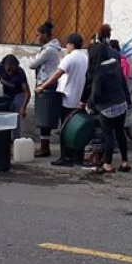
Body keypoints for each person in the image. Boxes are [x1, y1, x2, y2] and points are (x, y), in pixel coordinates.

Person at [36, 33, 90, 168]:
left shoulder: (69, 58)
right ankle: (78, 157)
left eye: (67, 45)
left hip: (68, 99)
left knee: (66, 129)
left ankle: (66, 157)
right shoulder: (85, 58)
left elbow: (57, 74)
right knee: (78, 129)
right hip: (80, 99)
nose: (66, 47)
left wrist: (43, 86)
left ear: (71, 44)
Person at [85, 42, 131, 173]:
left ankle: (107, 164)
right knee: (120, 133)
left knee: (108, 135)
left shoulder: (99, 71)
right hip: (121, 104)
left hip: (106, 108)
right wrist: (128, 101)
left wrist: (90, 105)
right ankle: (125, 162)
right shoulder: (116, 65)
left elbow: (96, 94)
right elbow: (123, 84)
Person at [29, 21, 62, 157]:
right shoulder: (49, 49)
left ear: (45, 35)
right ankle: (44, 146)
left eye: (38, 35)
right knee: (44, 117)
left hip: (46, 84)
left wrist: (36, 57)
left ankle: (44, 148)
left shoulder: (48, 50)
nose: (37, 38)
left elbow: (32, 64)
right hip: (47, 83)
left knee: (44, 117)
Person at [0, 54, 31, 138]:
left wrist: (23, 108)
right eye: (8, 70)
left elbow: (27, 92)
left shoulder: (20, 72)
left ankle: (16, 139)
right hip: (7, 93)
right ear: (4, 66)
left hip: (19, 93)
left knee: (16, 116)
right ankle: (5, 138)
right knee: (5, 115)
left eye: (12, 70)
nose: (10, 73)